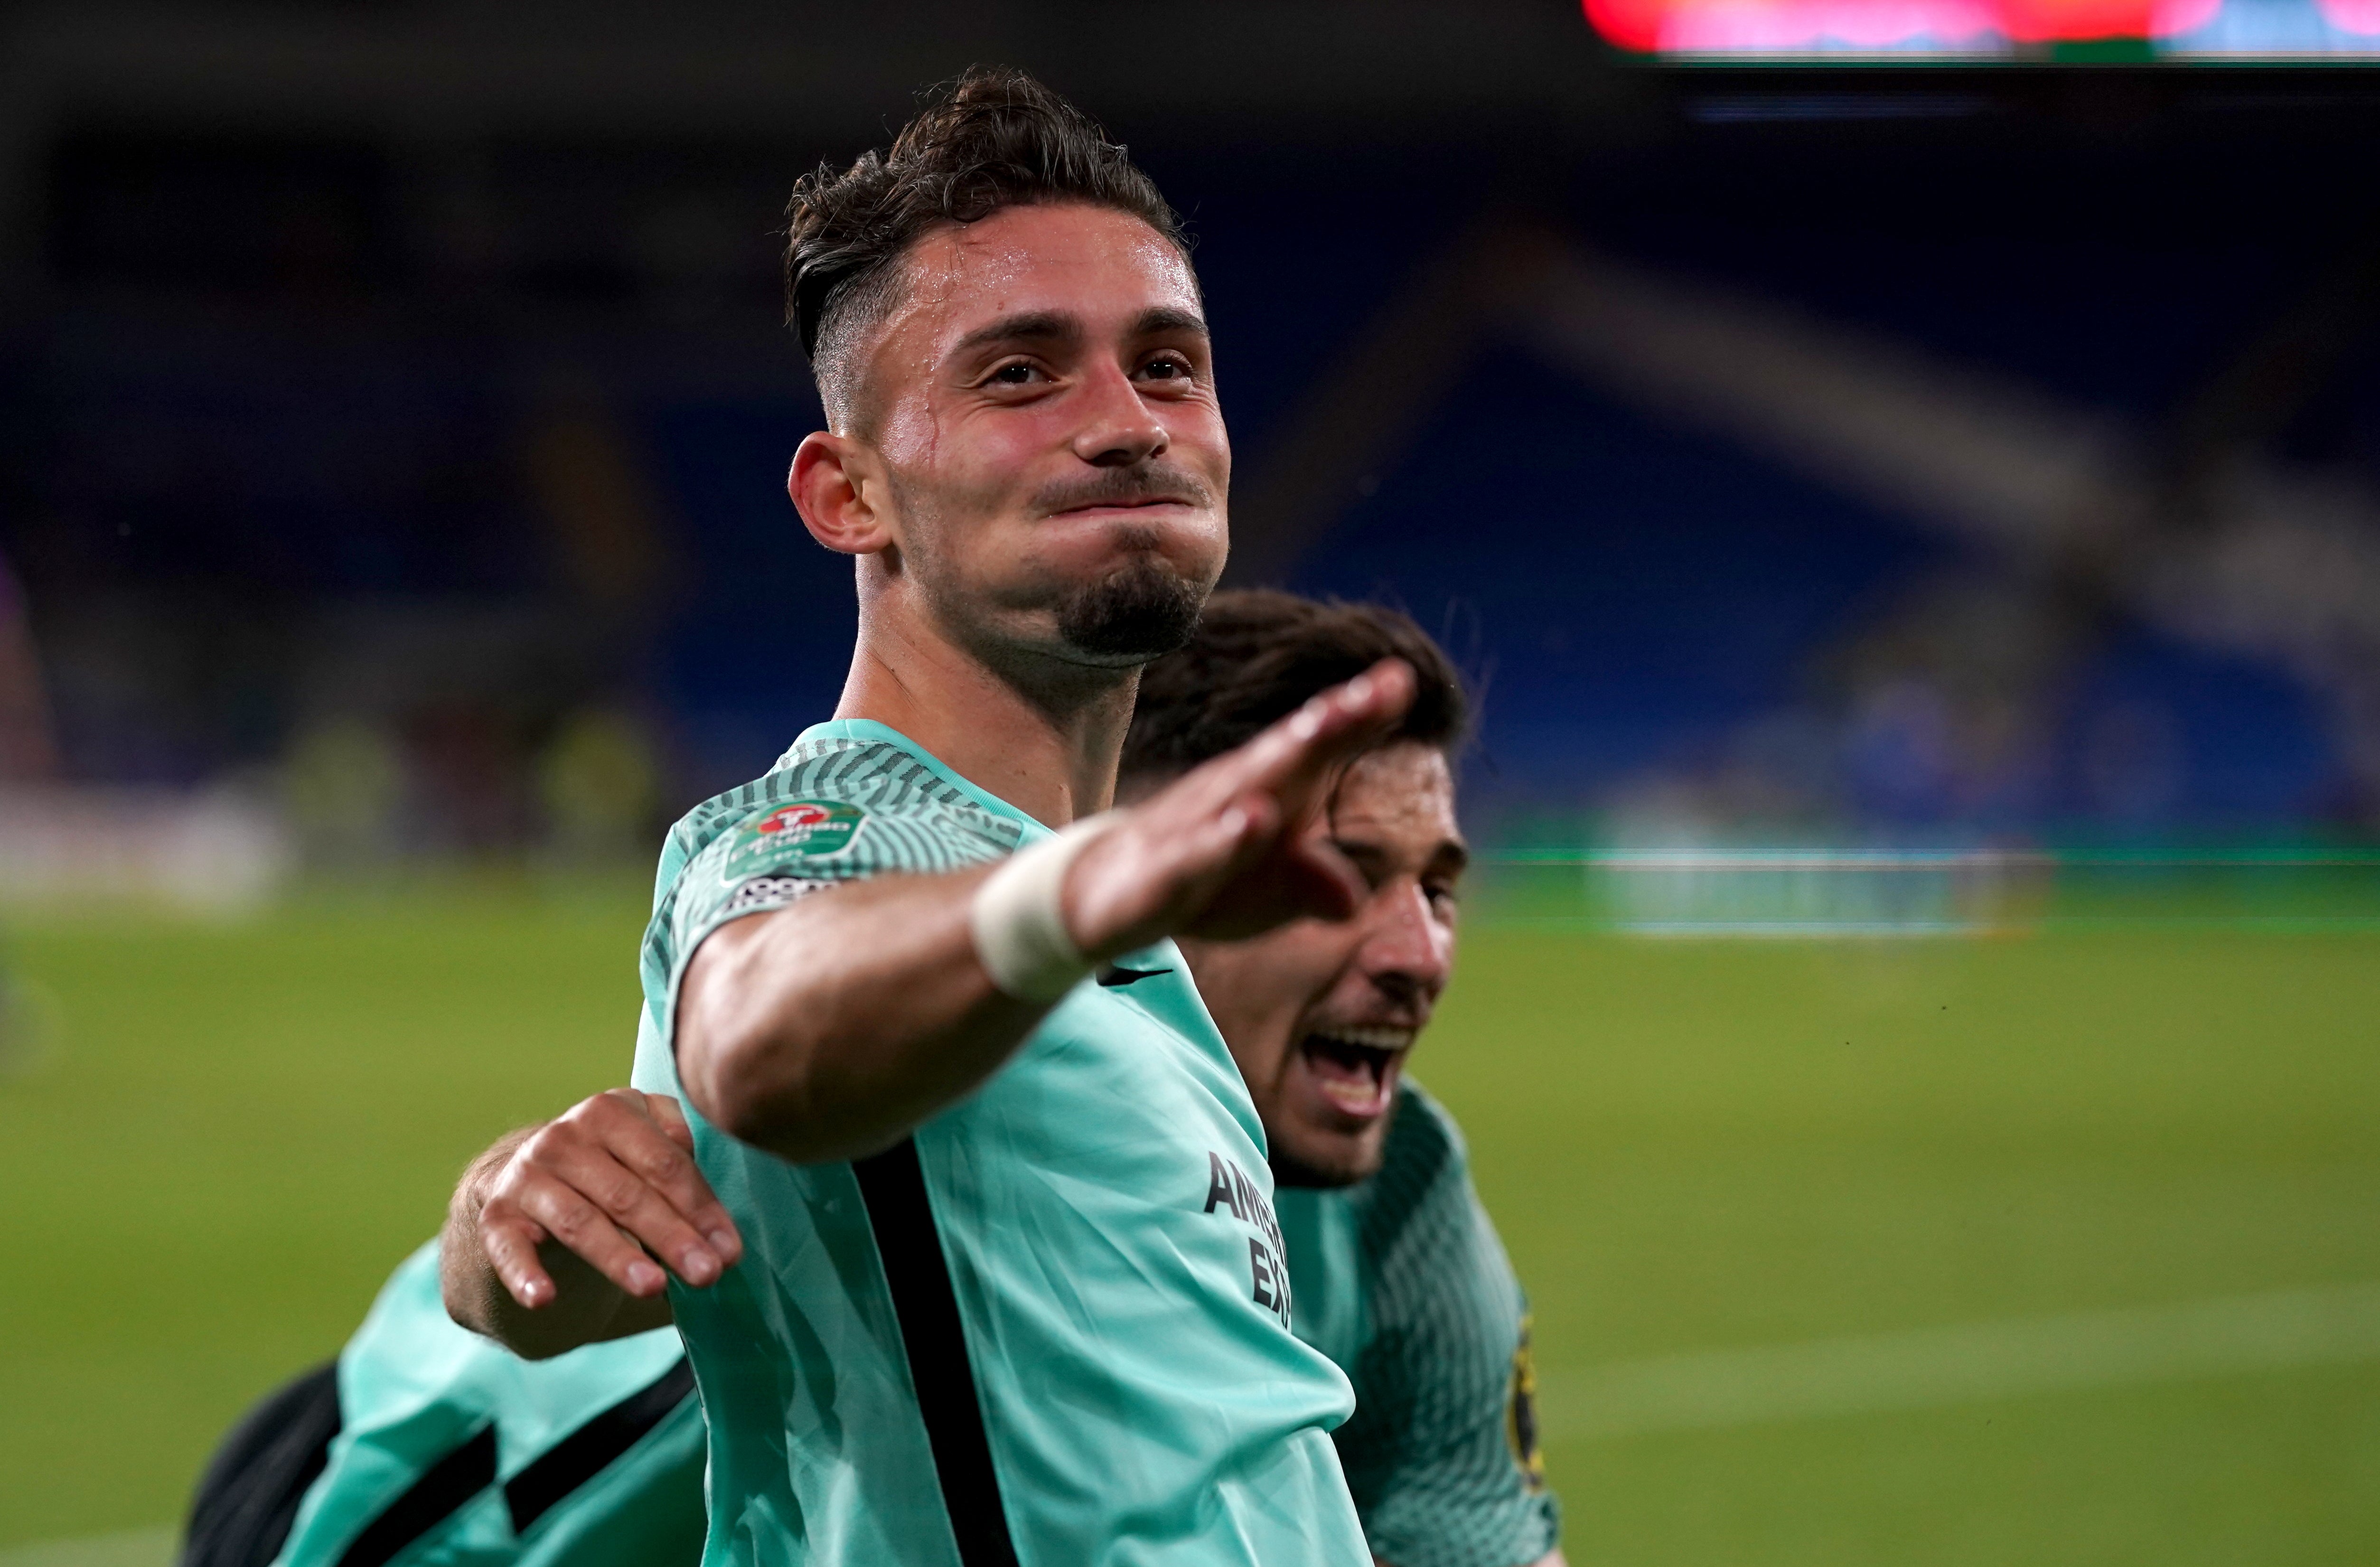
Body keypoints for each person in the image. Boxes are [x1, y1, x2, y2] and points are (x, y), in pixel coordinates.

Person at [475, 65, 1398, 1567]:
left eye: (1168, 365)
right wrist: (1084, 893)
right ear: (850, 496)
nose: (1127, 424)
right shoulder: (822, 840)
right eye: (1020, 375)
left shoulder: (1102, 925)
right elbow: (764, 1036)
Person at [189, 593, 1563, 1567]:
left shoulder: (1402, 1209)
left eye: (1439, 885)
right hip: (409, 1513)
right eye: (1338, 877)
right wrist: (498, 1205)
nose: (1415, 952)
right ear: (1139, 877)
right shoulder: (907, 1081)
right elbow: (565, 1240)